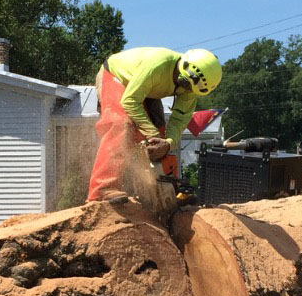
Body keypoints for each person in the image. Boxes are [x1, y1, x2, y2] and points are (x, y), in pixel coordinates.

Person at [87, 46, 222, 201]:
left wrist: (167, 142)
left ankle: (165, 192)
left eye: (189, 87)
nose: (184, 88)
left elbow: (179, 119)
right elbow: (130, 101)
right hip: (116, 75)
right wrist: (153, 135)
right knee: (122, 124)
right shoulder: (157, 64)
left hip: (147, 88)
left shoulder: (191, 89)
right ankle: (102, 190)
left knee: (161, 137)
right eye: (183, 82)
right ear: (183, 66)